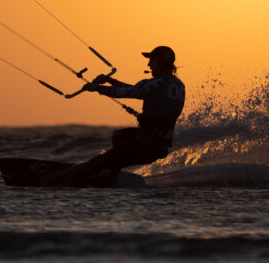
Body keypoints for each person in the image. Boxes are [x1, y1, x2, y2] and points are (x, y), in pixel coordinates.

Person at [37, 46, 185, 186]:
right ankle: (111, 176)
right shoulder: (178, 85)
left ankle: (53, 180)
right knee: (120, 136)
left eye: (152, 60)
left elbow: (126, 92)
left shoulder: (155, 83)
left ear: (161, 62)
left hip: (147, 146)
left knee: (100, 160)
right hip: (160, 144)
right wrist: (110, 81)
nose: (149, 64)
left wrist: (97, 88)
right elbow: (135, 90)